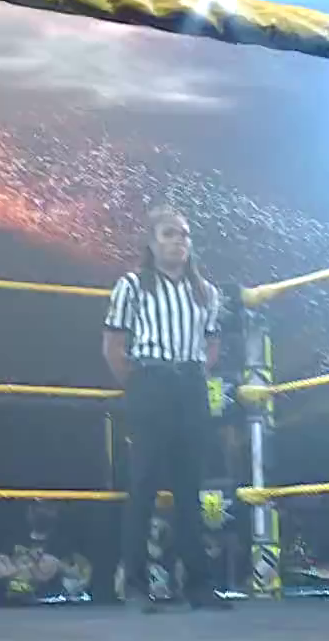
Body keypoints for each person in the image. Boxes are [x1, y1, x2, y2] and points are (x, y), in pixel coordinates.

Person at [102, 204, 231, 612]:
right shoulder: (132, 285)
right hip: (150, 383)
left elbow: (212, 342)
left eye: (184, 234)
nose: (178, 241)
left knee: (189, 488)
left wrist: (191, 376)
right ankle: (135, 585)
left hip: (190, 386)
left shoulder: (206, 291)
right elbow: (113, 346)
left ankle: (198, 585)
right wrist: (141, 384)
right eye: (169, 234)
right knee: (142, 485)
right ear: (152, 242)